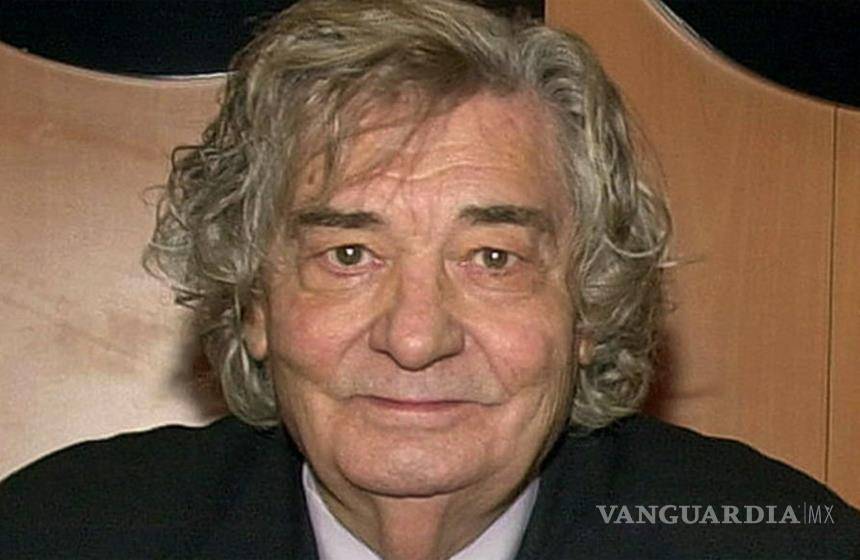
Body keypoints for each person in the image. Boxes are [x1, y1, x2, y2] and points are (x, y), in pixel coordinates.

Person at [1, 0, 858, 558]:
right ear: (255, 301)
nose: (415, 338)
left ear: (589, 305)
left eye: (492, 259)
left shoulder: (781, 544)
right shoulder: (53, 535)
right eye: (348, 255)